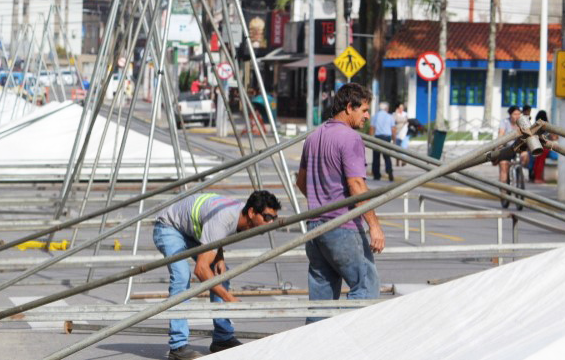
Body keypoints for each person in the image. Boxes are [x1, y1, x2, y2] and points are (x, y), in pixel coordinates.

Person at [296, 82, 385, 324]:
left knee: (321, 299)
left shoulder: (314, 137)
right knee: (366, 285)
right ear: (349, 107)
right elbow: (357, 185)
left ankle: (314, 350)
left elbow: (301, 182)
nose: (367, 116)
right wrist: (374, 226)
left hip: (315, 228)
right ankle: (349, 345)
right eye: (364, 110)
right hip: (341, 227)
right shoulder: (350, 138)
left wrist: (321, 199)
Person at [154, 190, 281, 359]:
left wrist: (219, 256)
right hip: (169, 227)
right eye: (267, 218)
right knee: (182, 276)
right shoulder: (226, 218)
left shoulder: (237, 214)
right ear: (251, 212)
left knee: (221, 272)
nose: (271, 222)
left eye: (274, 218)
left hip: (191, 230)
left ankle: (222, 337)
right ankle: (178, 346)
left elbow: (215, 232)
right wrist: (229, 298)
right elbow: (200, 270)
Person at [498, 106, 530, 185]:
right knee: (503, 165)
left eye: (519, 114)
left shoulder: (523, 122)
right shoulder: (504, 122)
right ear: (510, 115)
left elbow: (529, 134)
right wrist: (500, 143)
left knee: (525, 155)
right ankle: (503, 192)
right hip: (507, 148)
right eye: (515, 114)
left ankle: (522, 170)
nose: (517, 116)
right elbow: (501, 134)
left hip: (519, 147)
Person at [370, 102, 397, 181]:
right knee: (387, 156)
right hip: (386, 138)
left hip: (377, 137)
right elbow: (393, 129)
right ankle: (389, 172)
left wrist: (370, 138)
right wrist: (394, 140)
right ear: (386, 108)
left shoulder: (375, 116)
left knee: (376, 157)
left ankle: (376, 174)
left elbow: (372, 128)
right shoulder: (390, 116)